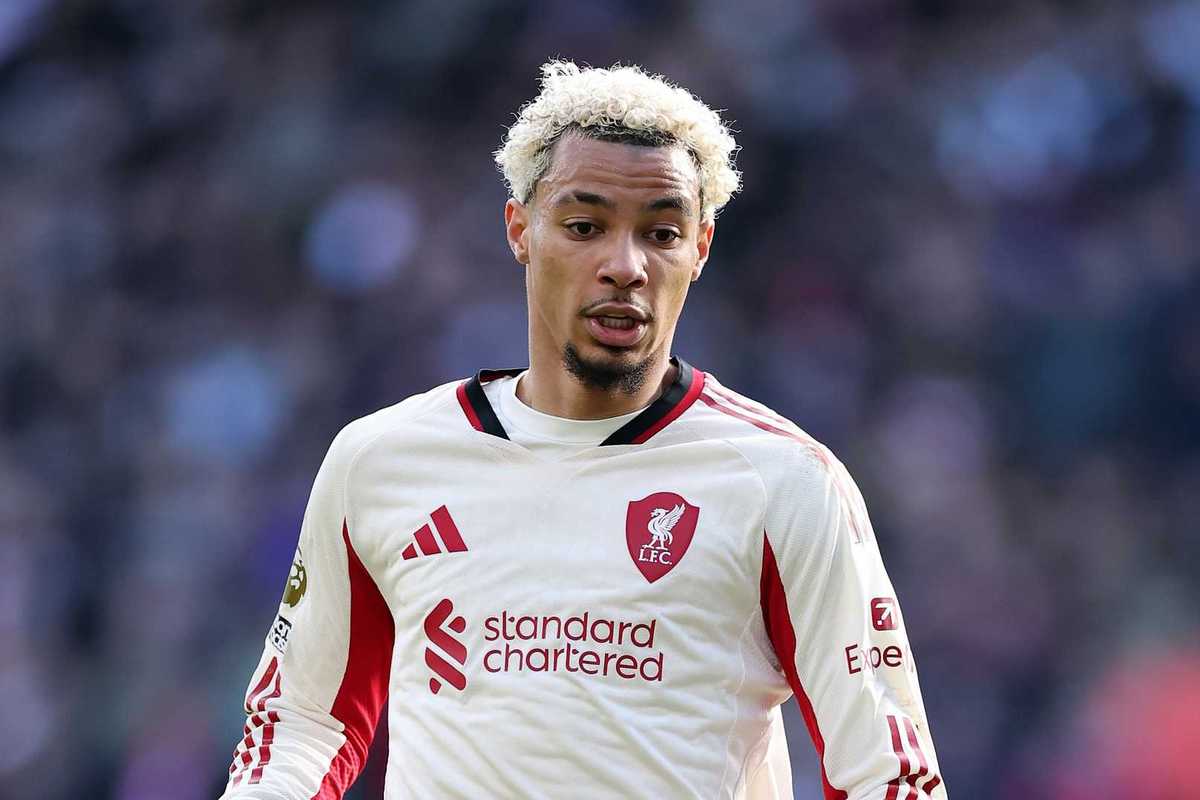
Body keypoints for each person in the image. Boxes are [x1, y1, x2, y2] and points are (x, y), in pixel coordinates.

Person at [219, 59, 946, 800]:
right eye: (584, 227)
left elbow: (889, 775)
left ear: (699, 249)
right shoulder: (380, 460)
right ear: (520, 230)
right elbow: (302, 722)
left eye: (661, 232)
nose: (624, 266)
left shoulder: (783, 481)